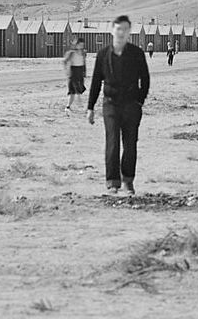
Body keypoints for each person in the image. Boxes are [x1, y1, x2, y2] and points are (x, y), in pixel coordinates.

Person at [87, 15, 150, 196]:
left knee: (130, 144)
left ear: (130, 31)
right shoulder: (103, 55)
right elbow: (96, 82)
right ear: (112, 30)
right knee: (112, 142)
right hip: (111, 104)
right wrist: (90, 108)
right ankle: (112, 182)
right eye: (118, 29)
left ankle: (128, 181)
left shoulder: (137, 54)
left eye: (125, 29)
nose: (121, 32)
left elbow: (145, 79)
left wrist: (140, 100)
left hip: (131, 105)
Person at [63, 37, 87, 112]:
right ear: (76, 45)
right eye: (79, 45)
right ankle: (68, 107)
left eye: (82, 45)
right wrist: (67, 70)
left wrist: (84, 72)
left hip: (80, 71)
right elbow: (65, 61)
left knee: (80, 89)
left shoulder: (83, 53)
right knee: (72, 91)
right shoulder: (71, 53)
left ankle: (80, 104)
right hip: (73, 71)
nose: (81, 46)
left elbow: (84, 62)